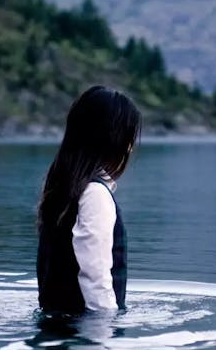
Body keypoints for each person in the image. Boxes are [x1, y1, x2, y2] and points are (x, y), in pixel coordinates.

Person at [36, 85, 142, 314]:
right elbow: (95, 278)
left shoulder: (61, 190)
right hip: (86, 329)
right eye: (128, 139)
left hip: (57, 326)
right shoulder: (95, 195)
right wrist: (104, 331)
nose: (130, 148)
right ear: (112, 140)